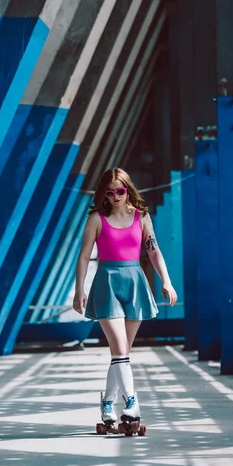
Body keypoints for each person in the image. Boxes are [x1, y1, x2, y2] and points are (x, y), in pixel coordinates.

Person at [73, 168, 177, 430]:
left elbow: (154, 251)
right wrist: (79, 290)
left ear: (128, 189)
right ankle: (131, 401)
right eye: (109, 192)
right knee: (119, 349)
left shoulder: (142, 217)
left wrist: (166, 280)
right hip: (107, 282)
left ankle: (107, 402)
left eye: (120, 190)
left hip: (134, 282)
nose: (115, 196)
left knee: (122, 353)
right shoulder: (96, 218)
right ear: (103, 195)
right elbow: (84, 256)